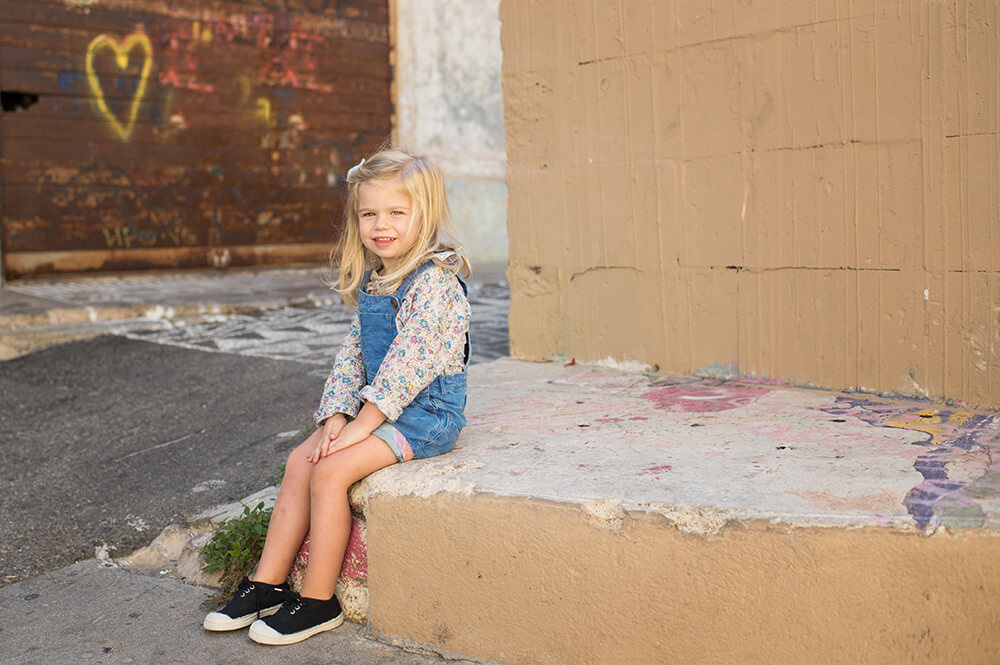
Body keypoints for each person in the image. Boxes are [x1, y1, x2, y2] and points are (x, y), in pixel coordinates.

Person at [202, 148, 472, 645]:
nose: (380, 224)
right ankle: (268, 584)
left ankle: (319, 602)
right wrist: (334, 418)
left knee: (329, 472)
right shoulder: (376, 279)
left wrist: (360, 428)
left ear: (424, 215)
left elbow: (406, 368)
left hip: (424, 415)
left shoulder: (435, 283)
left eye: (396, 212)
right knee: (301, 459)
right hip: (377, 409)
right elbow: (354, 357)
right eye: (369, 213)